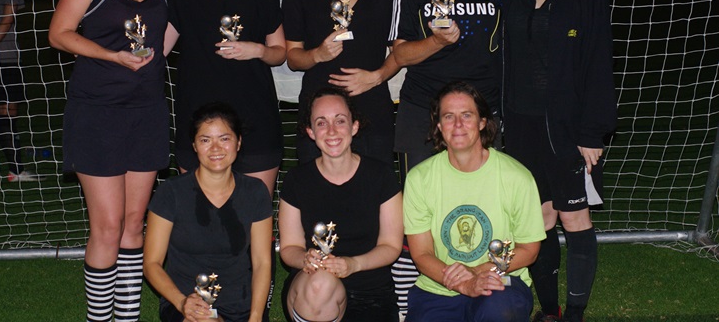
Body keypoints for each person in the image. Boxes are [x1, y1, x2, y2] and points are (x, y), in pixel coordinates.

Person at [48, 0, 178, 322]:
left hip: (147, 111)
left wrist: (157, 54)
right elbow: (59, 34)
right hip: (97, 111)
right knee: (106, 227)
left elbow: (181, 21)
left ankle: (127, 317)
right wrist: (113, 56)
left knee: (134, 224)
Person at [502, 0, 617, 322]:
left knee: (574, 218)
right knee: (539, 219)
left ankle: (575, 313)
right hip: (521, 124)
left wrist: (593, 131)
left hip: (568, 127)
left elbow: (599, 59)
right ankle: (549, 310)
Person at [164, 0, 285, 197]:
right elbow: (157, 51)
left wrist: (257, 50)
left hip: (256, 122)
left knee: (254, 215)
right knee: (200, 217)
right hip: (200, 125)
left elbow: (280, 52)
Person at [389, 0, 509, 174]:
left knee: (483, 196)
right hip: (423, 108)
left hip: (481, 110)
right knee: (421, 198)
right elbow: (400, 55)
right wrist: (437, 41)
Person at [403, 81, 546, 322]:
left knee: (500, 311)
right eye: (449, 116)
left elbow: (529, 251)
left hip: (498, 279)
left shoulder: (517, 177)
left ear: (482, 122)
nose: (458, 124)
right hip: (441, 285)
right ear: (439, 126)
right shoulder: (419, 178)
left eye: (467, 115)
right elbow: (422, 253)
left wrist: (477, 272)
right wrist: (463, 282)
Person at [282, 0, 399, 166]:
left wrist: (377, 77)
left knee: (374, 188)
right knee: (317, 190)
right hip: (320, 116)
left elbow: (401, 50)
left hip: (372, 110)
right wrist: (317, 55)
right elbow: (293, 57)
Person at [278, 87, 403, 322]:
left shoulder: (381, 176)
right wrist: (304, 258)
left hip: (370, 289)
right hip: (312, 288)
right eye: (321, 123)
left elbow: (391, 245)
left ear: (354, 127)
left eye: (340, 120)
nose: (332, 130)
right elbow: (289, 248)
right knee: (322, 283)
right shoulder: (296, 180)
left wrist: (353, 264)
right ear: (311, 132)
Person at [144, 102, 273, 322]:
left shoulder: (255, 192)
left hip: (240, 305)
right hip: (189, 303)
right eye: (205, 140)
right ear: (194, 145)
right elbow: (151, 264)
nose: (215, 148)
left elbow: (262, 262)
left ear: (238, 142)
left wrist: (256, 316)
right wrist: (181, 302)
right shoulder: (171, 192)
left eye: (224, 138)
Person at [0, 0, 35, 182]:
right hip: (5, 58)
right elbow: (7, 19)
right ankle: (16, 171)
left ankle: (15, 169)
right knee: (8, 111)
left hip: (6, 58)